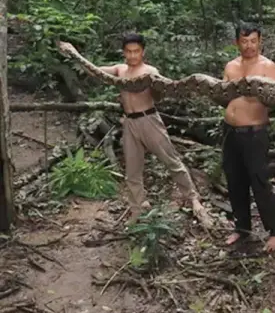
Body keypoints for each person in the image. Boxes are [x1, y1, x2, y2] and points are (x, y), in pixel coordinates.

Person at [64, 35, 213, 228]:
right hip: (129, 123)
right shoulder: (119, 70)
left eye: (136, 51)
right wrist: (74, 54)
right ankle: (138, 208)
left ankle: (194, 199)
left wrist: (158, 87)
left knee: (171, 161)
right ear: (124, 52)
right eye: (128, 51)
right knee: (132, 171)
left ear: (143, 52)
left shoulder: (150, 71)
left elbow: (161, 94)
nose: (132, 55)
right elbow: (93, 71)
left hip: (149, 119)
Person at [222, 22, 275, 252]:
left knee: (259, 182)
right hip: (230, 131)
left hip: (255, 132)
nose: (249, 46)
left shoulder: (268, 67)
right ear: (237, 42)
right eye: (244, 41)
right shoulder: (231, 66)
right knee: (234, 181)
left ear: (260, 41)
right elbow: (224, 96)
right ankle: (242, 228)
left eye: (253, 41)